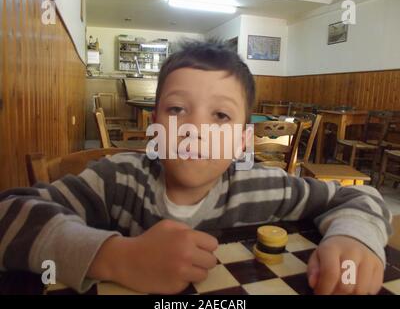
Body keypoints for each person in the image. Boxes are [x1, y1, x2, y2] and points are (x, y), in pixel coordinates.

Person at [0, 40, 392, 295]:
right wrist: (117, 257)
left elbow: (358, 197)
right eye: (176, 109)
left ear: (242, 141)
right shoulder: (118, 180)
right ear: (154, 127)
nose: (195, 129)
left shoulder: (264, 187)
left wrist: (355, 238)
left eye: (220, 115)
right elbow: (7, 214)